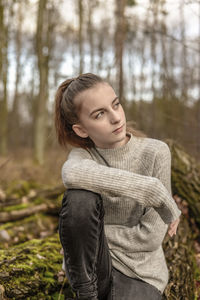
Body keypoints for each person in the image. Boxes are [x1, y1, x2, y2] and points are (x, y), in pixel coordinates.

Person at [54, 73, 181, 300]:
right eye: (99, 114)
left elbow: (151, 237)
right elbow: (70, 173)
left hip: (140, 272)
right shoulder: (83, 157)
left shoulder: (155, 152)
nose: (116, 118)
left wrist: (84, 239)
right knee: (78, 198)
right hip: (91, 273)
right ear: (82, 129)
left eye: (116, 104)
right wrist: (150, 188)